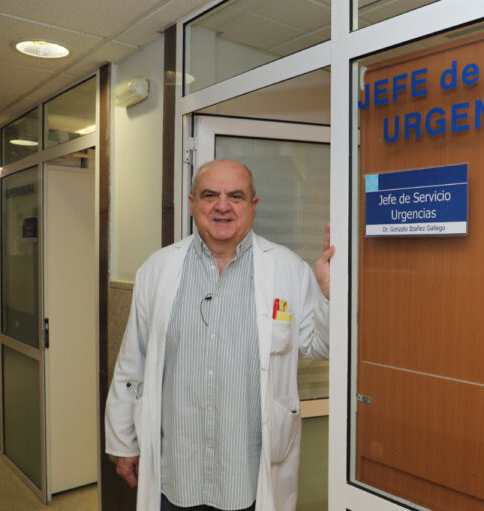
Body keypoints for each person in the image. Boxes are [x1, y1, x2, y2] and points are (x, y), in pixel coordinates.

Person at [105, 158, 334, 511]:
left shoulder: (288, 269)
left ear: (252, 206)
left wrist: (330, 293)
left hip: (250, 475)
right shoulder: (158, 269)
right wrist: (124, 444)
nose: (222, 206)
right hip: (176, 473)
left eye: (236, 196)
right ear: (192, 202)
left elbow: (322, 346)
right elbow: (132, 361)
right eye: (210, 195)